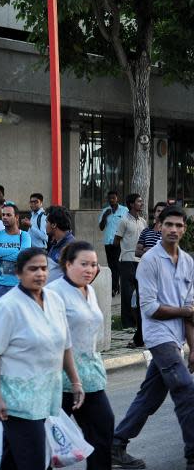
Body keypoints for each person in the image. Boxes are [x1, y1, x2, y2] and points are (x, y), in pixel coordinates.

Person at [0, 248, 84, 469]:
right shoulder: (7, 306)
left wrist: (76, 382)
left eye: (43, 268)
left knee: (14, 461)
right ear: (19, 273)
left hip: (46, 396)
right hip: (17, 401)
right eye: (32, 269)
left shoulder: (54, 300)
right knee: (36, 461)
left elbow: (65, 345)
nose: (39, 273)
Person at [112, 206, 194, 470]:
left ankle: (116, 444)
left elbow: (190, 312)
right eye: (168, 224)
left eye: (178, 225)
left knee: (150, 396)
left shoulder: (188, 262)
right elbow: (150, 309)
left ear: (184, 229)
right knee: (185, 390)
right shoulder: (149, 261)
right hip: (159, 338)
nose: (173, 230)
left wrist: (193, 348)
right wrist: (185, 311)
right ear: (159, 226)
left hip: (177, 338)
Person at [46, 241, 114, 470]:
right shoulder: (53, 293)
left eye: (94, 265)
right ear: (67, 264)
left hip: (91, 378)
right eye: (84, 264)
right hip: (59, 380)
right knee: (47, 443)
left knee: (103, 431)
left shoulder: (90, 290)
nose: (90, 269)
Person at [114, 194, 146, 345]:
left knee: (140, 293)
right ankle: (127, 323)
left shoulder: (143, 221)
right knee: (127, 293)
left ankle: (138, 322)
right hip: (126, 260)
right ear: (131, 204)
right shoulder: (124, 220)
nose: (141, 203)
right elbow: (116, 240)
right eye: (139, 201)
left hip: (141, 261)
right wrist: (123, 252)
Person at [0, 203, 31, 304]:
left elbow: (23, 256)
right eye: (3, 215)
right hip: (0, 286)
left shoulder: (24, 236)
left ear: (16, 217)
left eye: (8, 215)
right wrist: (16, 251)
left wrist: (1, 253)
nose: (5, 217)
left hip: (19, 285)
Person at [98, 191, 128, 297]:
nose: (111, 200)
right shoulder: (105, 211)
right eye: (109, 198)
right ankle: (116, 286)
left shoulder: (124, 211)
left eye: (113, 198)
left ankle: (114, 288)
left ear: (117, 198)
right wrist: (105, 217)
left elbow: (127, 226)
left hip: (119, 242)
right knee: (111, 266)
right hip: (108, 242)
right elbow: (101, 228)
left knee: (116, 265)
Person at [45, 205, 75, 282]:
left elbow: (96, 268)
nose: (45, 225)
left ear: (54, 225)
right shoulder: (55, 243)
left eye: (47, 222)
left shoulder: (71, 246)